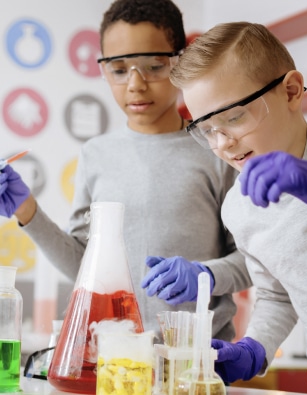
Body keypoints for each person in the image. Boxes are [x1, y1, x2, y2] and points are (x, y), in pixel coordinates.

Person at [0, 0, 251, 342]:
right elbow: (84, 267)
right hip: (114, 359)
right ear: (104, 70)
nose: (135, 84)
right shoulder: (95, 154)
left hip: (197, 361)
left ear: (180, 62)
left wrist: (205, 274)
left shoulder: (217, 150)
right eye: (119, 70)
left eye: (153, 66)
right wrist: (26, 209)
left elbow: (252, 259)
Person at [169, 21, 307, 394]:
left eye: (233, 117)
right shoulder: (240, 208)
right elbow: (278, 294)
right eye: (207, 128)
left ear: (291, 91)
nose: (222, 144)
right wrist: (253, 348)